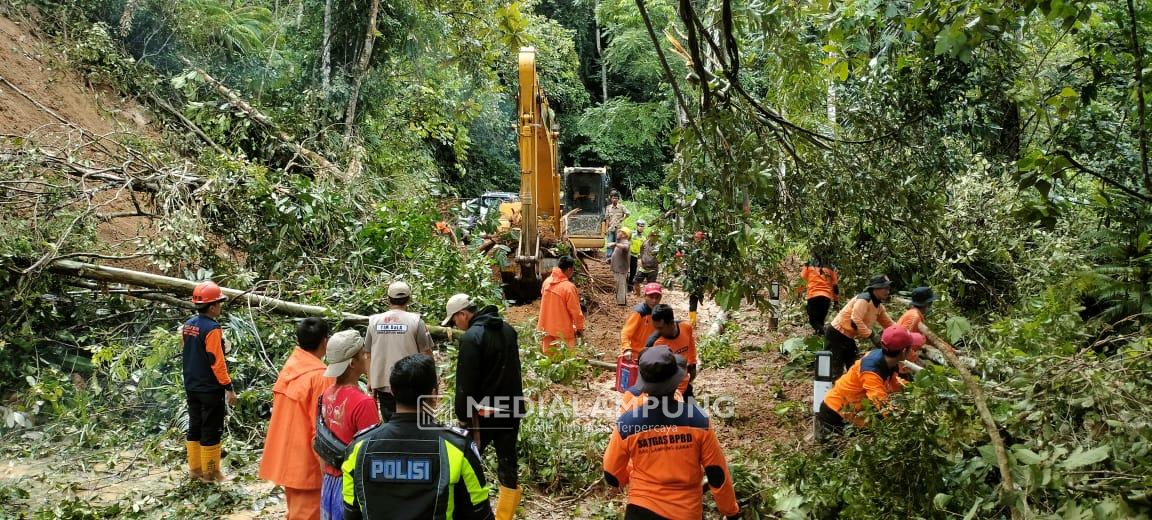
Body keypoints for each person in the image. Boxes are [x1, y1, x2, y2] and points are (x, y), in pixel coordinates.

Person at [341, 354, 494, 520]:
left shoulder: (359, 448)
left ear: (392, 391)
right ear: (434, 394)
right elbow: (480, 512)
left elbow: (350, 511)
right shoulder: (457, 447)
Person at [602, 346, 740, 520]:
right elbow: (717, 473)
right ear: (677, 380)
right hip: (685, 512)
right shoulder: (698, 420)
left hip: (640, 510)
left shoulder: (627, 424)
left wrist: (632, 478)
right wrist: (730, 510)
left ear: (643, 384)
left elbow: (611, 473)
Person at [443, 294, 524, 520]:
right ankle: (504, 516)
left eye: (454, 320)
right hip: (511, 408)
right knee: (508, 463)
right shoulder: (508, 330)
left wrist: (462, 414)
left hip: (482, 414)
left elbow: (465, 383)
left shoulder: (472, 337)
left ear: (463, 314)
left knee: (467, 462)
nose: (454, 325)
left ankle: (469, 512)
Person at [259, 318, 334, 520]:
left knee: (297, 512)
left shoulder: (291, 368)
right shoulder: (320, 377)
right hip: (307, 462)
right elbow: (320, 429)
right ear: (325, 342)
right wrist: (328, 467)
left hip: (287, 456)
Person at [318, 330, 380, 520]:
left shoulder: (326, 395)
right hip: (350, 487)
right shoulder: (363, 403)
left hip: (329, 482)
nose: (366, 357)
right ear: (353, 363)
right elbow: (371, 453)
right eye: (363, 353)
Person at [816, 326, 913, 443]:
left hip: (853, 412)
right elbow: (882, 406)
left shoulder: (887, 361)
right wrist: (903, 421)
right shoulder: (871, 371)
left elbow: (895, 385)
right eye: (911, 348)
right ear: (903, 351)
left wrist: (912, 391)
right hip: (835, 413)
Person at [181, 281, 237, 482]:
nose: (220, 307)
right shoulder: (213, 328)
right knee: (211, 429)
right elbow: (217, 362)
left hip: (191, 385)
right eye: (219, 303)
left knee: (195, 425)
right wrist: (229, 388)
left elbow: (188, 351)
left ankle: (195, 470)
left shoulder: (188, 325)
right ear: (212, 306)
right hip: (209, 388)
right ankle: (212, 473)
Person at [364, 281, 434, 420]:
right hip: (411, 382)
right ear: (408, 299)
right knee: (415, 422)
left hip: (383, 383)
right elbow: (426, 354)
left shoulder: (374, 321)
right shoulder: (416, 321)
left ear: (388, 299)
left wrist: (371, 380)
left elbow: (367, 353)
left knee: (390, 422)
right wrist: (432, 382)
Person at [824, 274, 895, 379]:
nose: (887, 292)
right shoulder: (864, 300)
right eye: (885, 288)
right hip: (837, 333)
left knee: (852, 366)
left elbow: (889, 324)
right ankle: (830, 391)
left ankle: (849, 389)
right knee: (836, 367)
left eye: (888, 288)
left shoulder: (879, 307)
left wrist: (903, 333)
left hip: (849, 337)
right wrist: (871, 335)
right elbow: (855, 320)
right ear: (875, 289)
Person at [643, 304, 697, 397]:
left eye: (660, 328)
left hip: (684, 386)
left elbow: (691, 347)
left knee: (694, 411)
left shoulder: (686, 327)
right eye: (655, 327)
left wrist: (692, 365)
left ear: (671, 323)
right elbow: (648, 372)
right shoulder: (653, 343)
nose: (657, 331)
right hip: (664, 393)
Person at [538, 255, 585, 355]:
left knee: (549, 361)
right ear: (569, 269)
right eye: (572, 270)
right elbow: (575, 311)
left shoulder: (546, 282)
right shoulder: (568, 288)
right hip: (563, 331)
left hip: (545, 328)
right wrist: (579, 328)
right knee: (568, 360)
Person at [619, 283, 662, 361]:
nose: (654, 300)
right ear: (645, 296)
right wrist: (626, 349)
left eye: (657, 297)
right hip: (636, 355)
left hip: (652, 354)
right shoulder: (639, 313)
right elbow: (625, 333)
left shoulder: (661, 313)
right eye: (651, 297)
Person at [800, 256, 839, 334]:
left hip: (813, 296)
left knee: (813, 321)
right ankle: (821, 340)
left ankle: (827, 334)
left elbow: (802, 280)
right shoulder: (831, 267)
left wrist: (798, 292)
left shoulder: (808, 265)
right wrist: (836, 301)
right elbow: (835, 286)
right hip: (826, 297)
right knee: (820, 321)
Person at [608, 230, 632, 306]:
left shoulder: (625, 242)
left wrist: (615, 244)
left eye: (619, 232)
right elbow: (617, 254)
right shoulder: (619, 243)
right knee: (619, 285)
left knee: (621, 285)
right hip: (618, 269)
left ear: (624, 235)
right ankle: (620, 301)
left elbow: (625, 247)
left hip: (621, 269)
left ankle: (621, 304)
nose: (617, 234)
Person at [632, 231, 659, 295]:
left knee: (651, 285)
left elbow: (661, 257)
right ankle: (638, 294)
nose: (653, 237)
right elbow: (641, 250)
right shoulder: (645, 243)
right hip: (643, 267)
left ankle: (647, 296)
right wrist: (642, 258)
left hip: (653, 269)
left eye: (655, 236)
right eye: (652, 236)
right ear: (649, 236)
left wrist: (656, 261)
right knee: (636, 281)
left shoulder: (658, 246)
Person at [604, 190, 629, 256]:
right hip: (611, 228)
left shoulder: (621, 207)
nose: (615, 199)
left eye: (616, 198)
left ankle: (616, 256)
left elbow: (628, 213)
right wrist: (606, 228)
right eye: (613, 198)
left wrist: (622, 219)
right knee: (610, 242)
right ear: (611, 199)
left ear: (618, 199)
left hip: (619, 228)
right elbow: (607, 218)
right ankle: (609, 256)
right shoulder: (608, 208)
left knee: (618, 242)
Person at [628, 220, 646, 291]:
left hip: (636, 257)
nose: (641, 228)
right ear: (637, 226)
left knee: (633, 272)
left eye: (642, 226)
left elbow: (643, 249)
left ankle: (630, 287)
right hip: (628, 255)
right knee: (625, 271)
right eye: (639, 226)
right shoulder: (631, 234)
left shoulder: (643, 238)